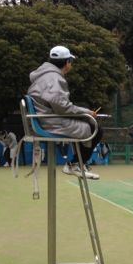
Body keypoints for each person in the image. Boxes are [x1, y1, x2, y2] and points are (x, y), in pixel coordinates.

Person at [27, 45, 102, 179]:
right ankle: (75, 164)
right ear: (67, 62)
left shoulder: (42, 75)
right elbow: (63, 108)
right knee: (95, 128)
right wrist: (88, 112)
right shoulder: (55, 78)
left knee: (86, 123)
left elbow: (58, 105)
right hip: (49, 122)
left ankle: (77, 163)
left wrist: (84, 114)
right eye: (70, 61)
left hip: (43, 119)